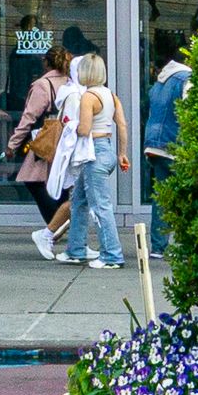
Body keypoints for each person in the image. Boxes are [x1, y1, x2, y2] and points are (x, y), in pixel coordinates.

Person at [55, 53, 129, 269]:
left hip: (92, 154)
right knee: (79, 200)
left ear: (85, 72)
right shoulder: (111, 96)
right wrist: (122, 153)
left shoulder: (88, 97)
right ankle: (75, 250)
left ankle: (112, 255)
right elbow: (122, 125)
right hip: (106, 150)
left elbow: (84, 129)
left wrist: (71, 126)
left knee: (100, 207)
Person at [10, 43, 75, 261]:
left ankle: (53, 226)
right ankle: (59, 224)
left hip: (46, 137)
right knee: (62, 182)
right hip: (67, 137)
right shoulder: (72, 82)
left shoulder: (42, 84)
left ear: (45, 62)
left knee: (34, 181)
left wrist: (13, 144)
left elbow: (28, 117)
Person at [143, 38, 190, 251]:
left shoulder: (159, 82)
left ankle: (158, 247)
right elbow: (190, 113)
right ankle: (188, 245)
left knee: (162, 197)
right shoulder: (186, 79)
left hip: (154, 145)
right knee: (188, 196)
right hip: (175, 145)